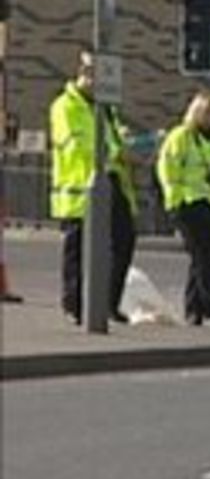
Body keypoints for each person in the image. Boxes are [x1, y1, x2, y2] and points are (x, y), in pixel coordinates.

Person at [49, 51, 138, 325]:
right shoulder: (65, 106)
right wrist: (113, 153)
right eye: (95, 77)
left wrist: (127, 145)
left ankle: (108, 302)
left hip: (111, 180)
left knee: (124, 240)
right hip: (79, 187)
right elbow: (77, 144)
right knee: (77, 249)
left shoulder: (105, 109)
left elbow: (114, 139)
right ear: (83, 75)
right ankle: (73, 304)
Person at [156, 91, 210, 328]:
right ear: (196, 112)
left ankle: (194, 311)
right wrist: (175, 201)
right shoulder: (181, 137)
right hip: (189, 203)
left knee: (201, 258)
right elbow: (167, 169)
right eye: (208, 111)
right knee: (204, 258)